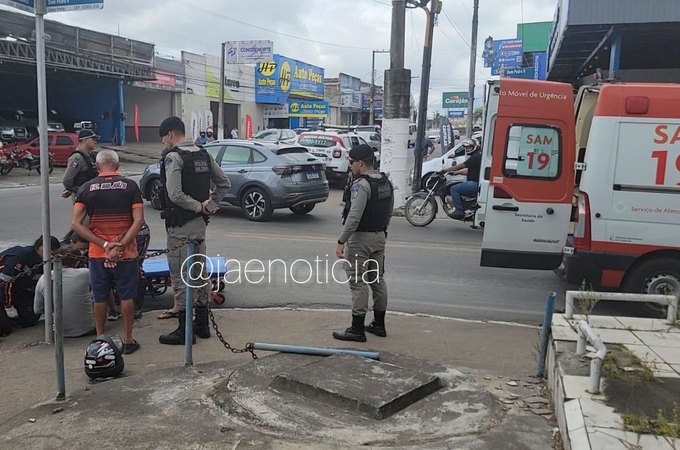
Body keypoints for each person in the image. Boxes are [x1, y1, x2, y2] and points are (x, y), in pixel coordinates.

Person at [157, 116, 231, 345]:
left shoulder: (174, 157)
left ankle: (184, 330)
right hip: (200, 225)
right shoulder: (203, 154)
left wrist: (198, 207)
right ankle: (202, 325)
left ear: (170, 134)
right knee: (199, 274)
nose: (163, 144)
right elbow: (224, 183)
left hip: (181, 226)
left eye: (163, 139)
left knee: (180, 276)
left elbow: (175, 194)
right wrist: (209, 207)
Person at [71, 149, 144, 355]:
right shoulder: (130, 186)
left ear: (97, 166)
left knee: (100, 296)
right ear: (118, 166)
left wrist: (104, 245)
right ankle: (128, 340)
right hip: (126, 252)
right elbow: (138, 220)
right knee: (127, 295)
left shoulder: (86, 188)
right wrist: (120, 244)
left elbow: (76, 223)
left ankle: (100, 339)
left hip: (97, 252)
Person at [333, 144, 393, 342]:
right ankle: (379, 324)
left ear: (360, 163)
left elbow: (354, 217)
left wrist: (342, 240)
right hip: (380, 236)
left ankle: (356, 329)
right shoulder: (385, 181)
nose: (350, 166)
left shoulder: (361, 185)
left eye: (351, 162)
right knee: (377, 279)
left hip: (361, 240)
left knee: (357, 281)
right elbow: (389, 211)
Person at [0, 236, 61, 337]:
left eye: (53, 252)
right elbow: (5, 282)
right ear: (38, 247)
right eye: (46, 249)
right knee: (4, 329)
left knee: (29, 319)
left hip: (18, 290)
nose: (49, 253)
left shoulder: (49, 262)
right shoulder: (21, 255)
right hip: (3, 290)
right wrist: (8, 306)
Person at [34, 245, 95, 338]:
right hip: (87, 329)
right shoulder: (86, 273)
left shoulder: (44, 277)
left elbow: (37, 309)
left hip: (58, 331)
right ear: (78, 261)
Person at [442, 138, 482, 219]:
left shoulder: (475, 157)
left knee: (454, 189)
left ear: (474, 147)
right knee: (456, 184)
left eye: (469, 147)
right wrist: (456, 173)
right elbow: (469, 171)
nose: (467, 149)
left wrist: (446, 169)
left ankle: (459, 210)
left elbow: (460, 166)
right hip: (474, 182)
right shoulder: (476, 156)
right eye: (466, 148)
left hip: (474, 183)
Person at [62, 129, 99, 200]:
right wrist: (74, 190)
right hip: (82, 196)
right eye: (93, 139)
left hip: (91, 193)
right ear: (85, 140)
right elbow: (67, 180)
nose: (95, 142)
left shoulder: (91, 155)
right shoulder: (77, 158)